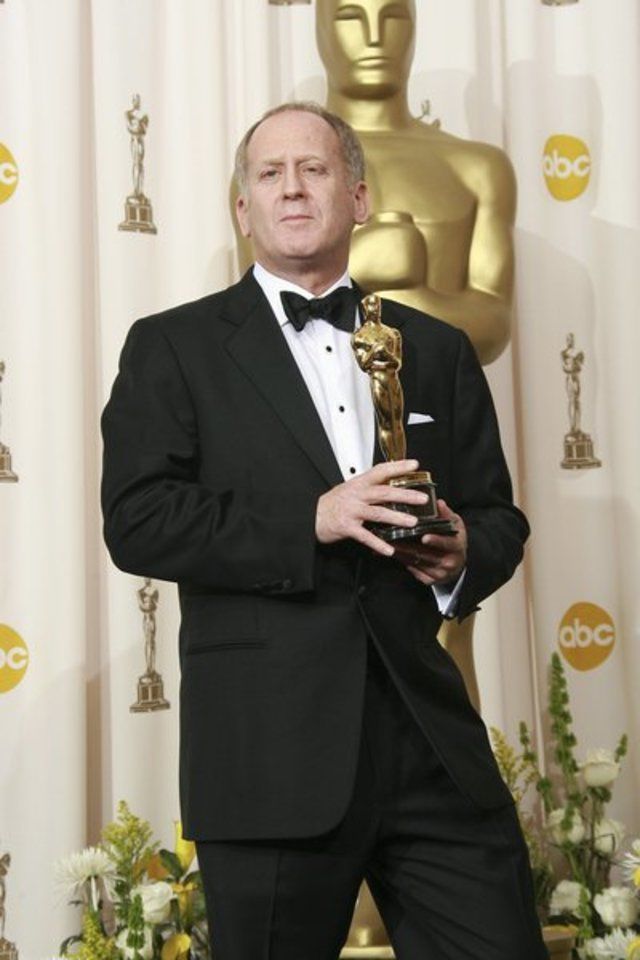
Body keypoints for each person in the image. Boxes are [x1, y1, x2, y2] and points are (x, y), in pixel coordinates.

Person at [101, 102, 545, 960]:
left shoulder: (438, 348)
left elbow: (499, 515)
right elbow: (139, 519)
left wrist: (460, 554)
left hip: (429, 742)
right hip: (269, 755)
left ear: (359, 198)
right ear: (244, 210)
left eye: (313, 169)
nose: (293, 189)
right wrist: (314, 518)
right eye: (270, 175)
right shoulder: (174, 347)